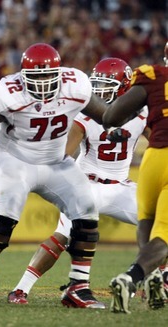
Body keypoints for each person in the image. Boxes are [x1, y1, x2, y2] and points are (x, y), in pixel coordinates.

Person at [0, 43, 109, 308]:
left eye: (48, 77)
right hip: (14, 158)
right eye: (36, 78)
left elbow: (106, 114)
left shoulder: (77, 86)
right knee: (6, 212)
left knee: (87, 209)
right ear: (22, 76)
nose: (42, 84)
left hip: (55, 161)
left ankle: (78, 286)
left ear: (60, 74)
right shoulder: (8, 92)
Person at [7, 57, 151, 305]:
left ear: (125, 88)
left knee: (161, 225)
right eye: (97, 84)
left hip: (120, 186)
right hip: (87, 183)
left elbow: (160, 140)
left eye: (108, 85)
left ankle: (157, 279)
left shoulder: (142, 113)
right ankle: (20, 289)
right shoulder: (86, 114)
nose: (100, 91)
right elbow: (64, 153)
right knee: (62, 235)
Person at [105, 42, 168, 314]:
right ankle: (130, 279)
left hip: (154, 158)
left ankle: (153, 279)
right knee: (164, 233)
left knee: (146, 222)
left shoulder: (154, 75)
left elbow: (111, 116)